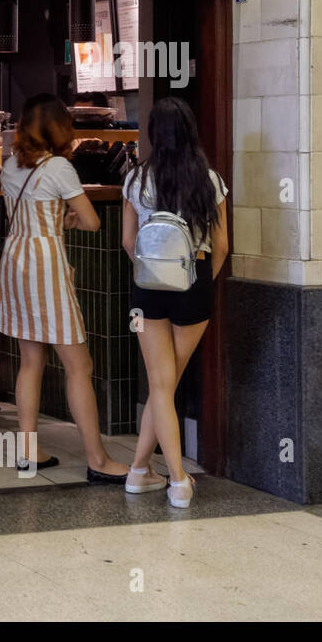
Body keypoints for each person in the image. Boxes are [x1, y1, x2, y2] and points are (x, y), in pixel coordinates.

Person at [0, 95, 128, 481]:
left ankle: (28, 450)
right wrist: (67, 218)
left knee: (31, 360)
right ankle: (98, 461)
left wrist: (59, 218)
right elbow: (91, 221)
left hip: (14, 257)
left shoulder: (10, 166)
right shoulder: (59, 168)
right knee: (78, 364)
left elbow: (31, 212)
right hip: (44, 264)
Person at [122, 97, 228, 507]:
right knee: (166, 385)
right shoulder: (209, 179)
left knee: (160, 386)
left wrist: (152, 273)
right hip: (193, 285)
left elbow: (128, 242)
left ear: (153, 134)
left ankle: (138, 471)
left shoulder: (135, 178)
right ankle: (178, 481)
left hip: (147, 289)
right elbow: (221, 247)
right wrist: (200, 281)